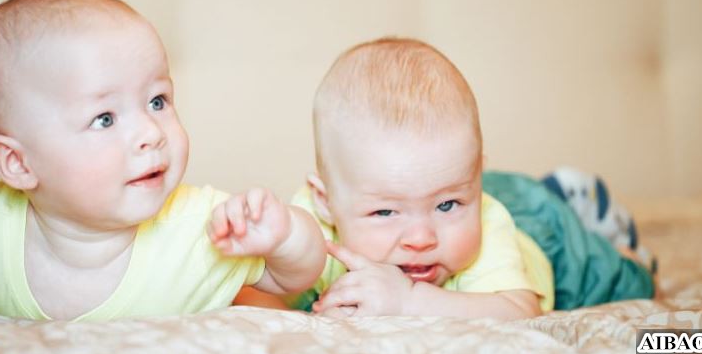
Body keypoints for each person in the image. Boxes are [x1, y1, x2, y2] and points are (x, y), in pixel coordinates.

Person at [0, 0, 325, 325]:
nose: (150, 131)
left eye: (158, 100)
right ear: (19, 163)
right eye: (105, 118)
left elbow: (292, 278)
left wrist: (284, 235)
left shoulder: (201, 226)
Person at [238, 37, 655, 318]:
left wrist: (410, 300)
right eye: (385, 211)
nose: (421, 238)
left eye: (447, 204)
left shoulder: (489, 229)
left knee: (623, 279)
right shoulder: (313, 225)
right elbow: (257, 291)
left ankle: (583, 212)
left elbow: (519, 311)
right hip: (489, 191)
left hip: (544, 237)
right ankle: (541, 191)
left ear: (474, 181)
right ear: (326, 201)